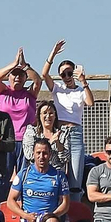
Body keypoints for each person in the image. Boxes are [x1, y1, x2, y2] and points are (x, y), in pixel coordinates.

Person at [43, 44, 94, 192]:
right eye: (63, 74)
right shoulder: (57, 88)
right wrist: (53, 54)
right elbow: (44, 75)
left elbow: (90, 102)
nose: (66, 77)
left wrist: (84, 82)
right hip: (61, 132)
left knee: (75, 177)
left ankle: (75, 209)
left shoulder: (80, 90)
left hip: (76, 133)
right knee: (56, 169)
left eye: (69, 73)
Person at [7, 138, 69, 222]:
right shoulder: (24, 174)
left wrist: (51, 217)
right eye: (38, 153)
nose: (41, 156)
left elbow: (65, 204)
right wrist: (25, 215)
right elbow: (10, 201)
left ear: (50, 154)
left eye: (45, 153)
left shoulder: (59, 175)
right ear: (33, 154)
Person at [0, 49, 40, 146]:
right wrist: (14, 64)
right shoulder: (3, 91)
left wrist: (25, 66)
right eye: (14, 74)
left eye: (21, 74)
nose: (18, 77)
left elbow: (38, 81)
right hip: (5, 139)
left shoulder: (29, 93)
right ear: (9, 76)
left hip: (26, 140)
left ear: (25, 78)